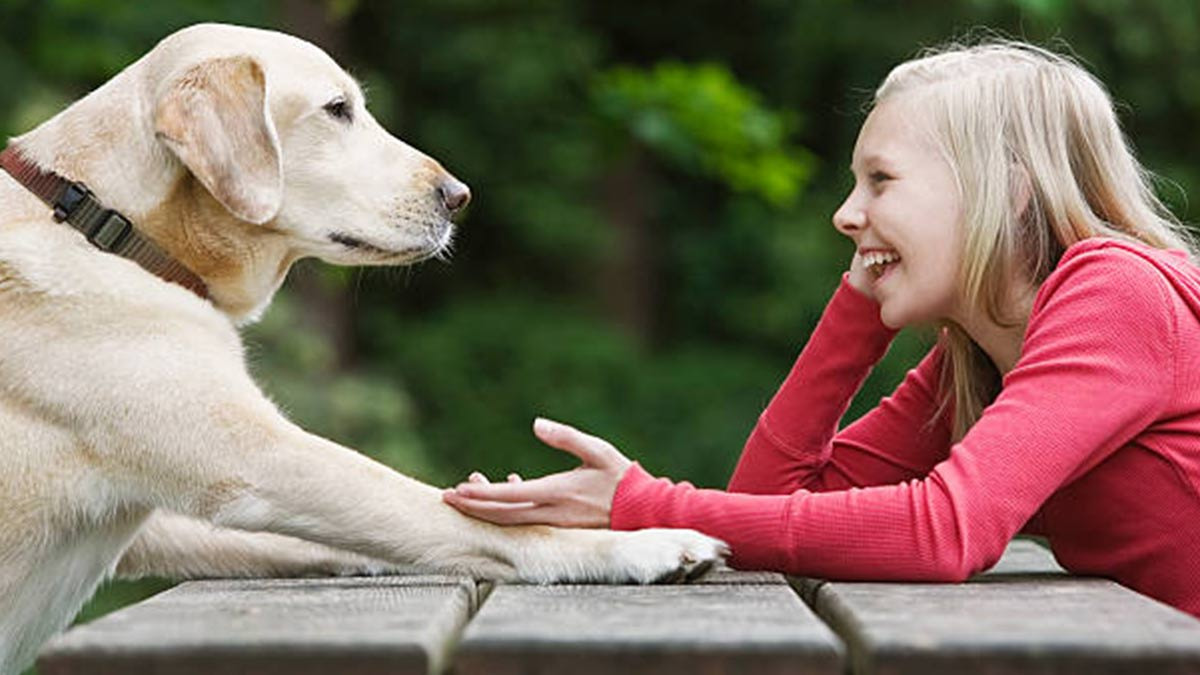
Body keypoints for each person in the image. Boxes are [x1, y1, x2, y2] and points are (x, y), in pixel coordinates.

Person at [442, 39, 1200, 618]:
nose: (845, 213)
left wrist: (640, 505)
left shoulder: (1117, 293)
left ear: (1004, 188)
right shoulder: (977, 357)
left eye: (881, 180)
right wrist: (860, 308)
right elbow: (770, 501)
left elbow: (945, 530)